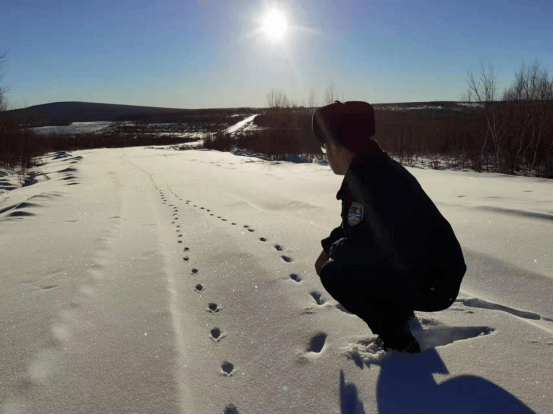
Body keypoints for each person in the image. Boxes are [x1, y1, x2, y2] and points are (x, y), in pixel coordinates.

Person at [312, 101, 467, 354]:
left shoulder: (368, 183)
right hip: (436, 274)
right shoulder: (373, 169)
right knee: (352, 262)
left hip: (434, 285)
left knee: (335, 274)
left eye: (324, 147)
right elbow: (357, 228)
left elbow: (360, 248)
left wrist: (334, 253)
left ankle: (399, 341)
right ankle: (402, 314)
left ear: (340, 147)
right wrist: (329, 245)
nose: (325, 155)